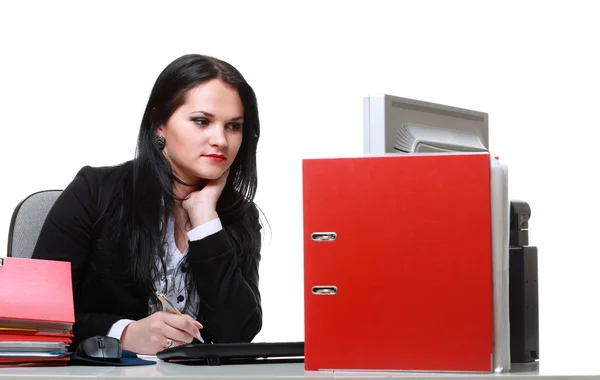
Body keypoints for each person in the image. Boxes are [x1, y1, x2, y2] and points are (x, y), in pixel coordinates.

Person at [31, 54, 264, 355]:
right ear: (159, 125)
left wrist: (206, 223)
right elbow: (36, 317)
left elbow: (238, 335)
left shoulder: (239, 215)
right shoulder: (94, 192)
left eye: (233, 126)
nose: (220, 139)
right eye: (201, 121)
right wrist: (123, 333)